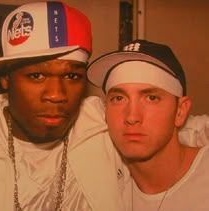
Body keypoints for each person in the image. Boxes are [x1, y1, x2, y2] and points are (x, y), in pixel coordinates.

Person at [0, 2, 208, 211]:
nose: (56, 95)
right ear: (5, 78)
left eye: (72, 77)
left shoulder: (97, 119)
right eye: (36, 75)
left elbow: (183, 128)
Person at [87, 39, 209, 210]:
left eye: (151, 98)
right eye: (119, 98)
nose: (132, 116)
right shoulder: (104, 191)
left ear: (180, 111)